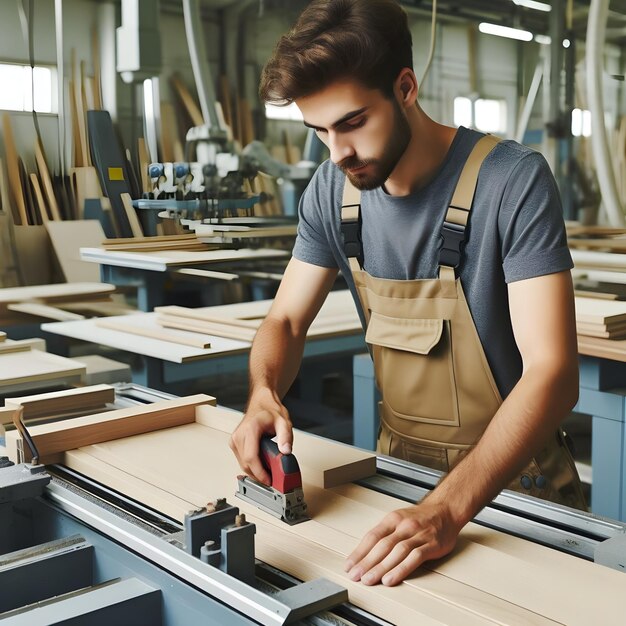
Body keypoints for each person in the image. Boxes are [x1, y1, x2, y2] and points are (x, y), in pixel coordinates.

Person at [230, 0, 586, 587]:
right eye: (318, 131)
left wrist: (448, 509)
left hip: (516, 494)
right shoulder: (330, 192)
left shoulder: (512, 182)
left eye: (351, 123)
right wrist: (263, 392)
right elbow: (287, 321)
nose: (336, 152)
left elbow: (553, 373)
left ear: (404, 87)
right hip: (397, 484)